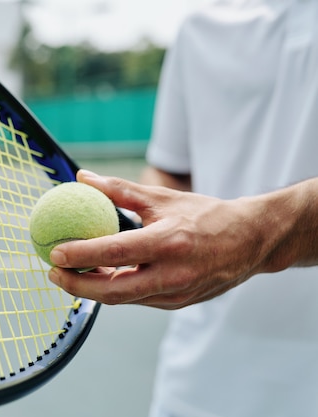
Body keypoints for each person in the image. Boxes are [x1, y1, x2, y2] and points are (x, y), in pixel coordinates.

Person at [48, 0, 318, 416]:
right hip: (198, 384)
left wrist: (257, 235)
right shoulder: (199, 28)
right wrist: (143, 227)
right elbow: (171, 173)